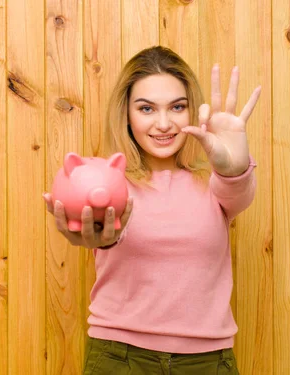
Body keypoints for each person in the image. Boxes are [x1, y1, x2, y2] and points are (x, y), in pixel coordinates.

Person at [43, 46, 261, 375]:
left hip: (206, 362)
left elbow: (239, 193)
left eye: (177, 107)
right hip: (120, 359)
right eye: (146, 108)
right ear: (126, 114)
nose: (163, 123)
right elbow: (102, 231)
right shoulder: (109, 182)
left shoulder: (216, 183)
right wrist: (98, 238)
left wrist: (233, 167)